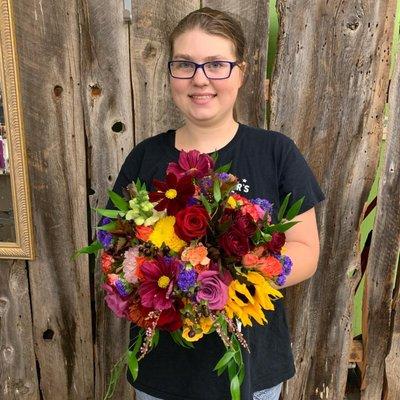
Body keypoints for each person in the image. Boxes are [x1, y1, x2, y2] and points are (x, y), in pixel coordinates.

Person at [107, 7, 325, 400]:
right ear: (170, 73)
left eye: (217, 64)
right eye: (185, 65)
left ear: (240, 72)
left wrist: (230, 279)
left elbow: (306, 251)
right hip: (163, 375)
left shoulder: (275, 153)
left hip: (251, 372)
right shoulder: (145, 157)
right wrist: (153, 278)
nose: (200, 79)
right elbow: (113, 248)